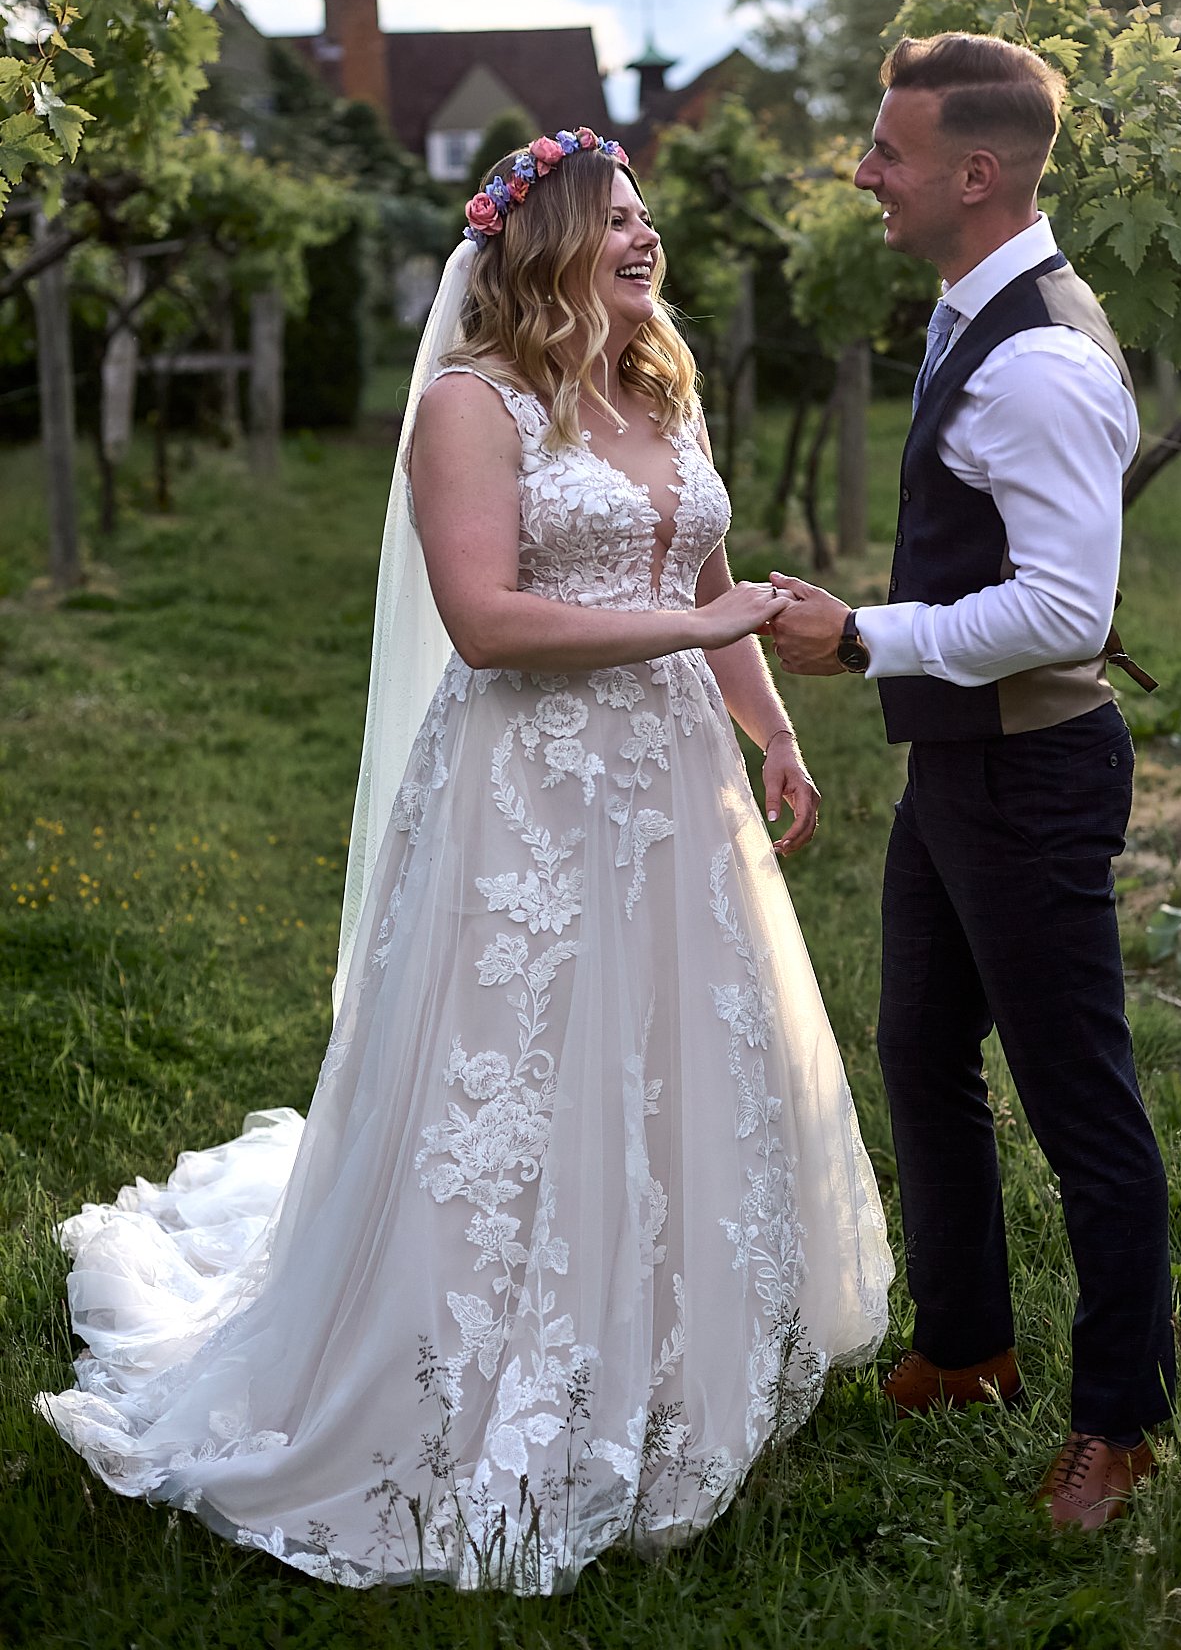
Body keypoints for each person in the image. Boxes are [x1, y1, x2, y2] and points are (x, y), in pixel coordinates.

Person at [37, 128, 892, 1592]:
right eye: (610, 219)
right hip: (530, 793)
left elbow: (697, 568)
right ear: (540, 243)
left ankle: (683, 1344)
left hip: (672, 787)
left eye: (646, 217)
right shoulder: (469, 406)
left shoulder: (655, 386)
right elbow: (489, 621)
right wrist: (696, 637)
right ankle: (454, 1360)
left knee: (676, 1048)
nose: (643, 238)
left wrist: (768, 730)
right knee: (518, 1065)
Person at [770, 35, 1174, 1532]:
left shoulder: (1042, 356)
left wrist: (864, 635)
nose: (863, 172)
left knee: (1080, 1103)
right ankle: (967, 1345)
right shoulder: (972, 312)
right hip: (961, 764)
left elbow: (1067, 609)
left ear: (974, 173)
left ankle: (1120, 1427)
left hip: (1030, 774)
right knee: (919, 1048)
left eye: (886, 150)